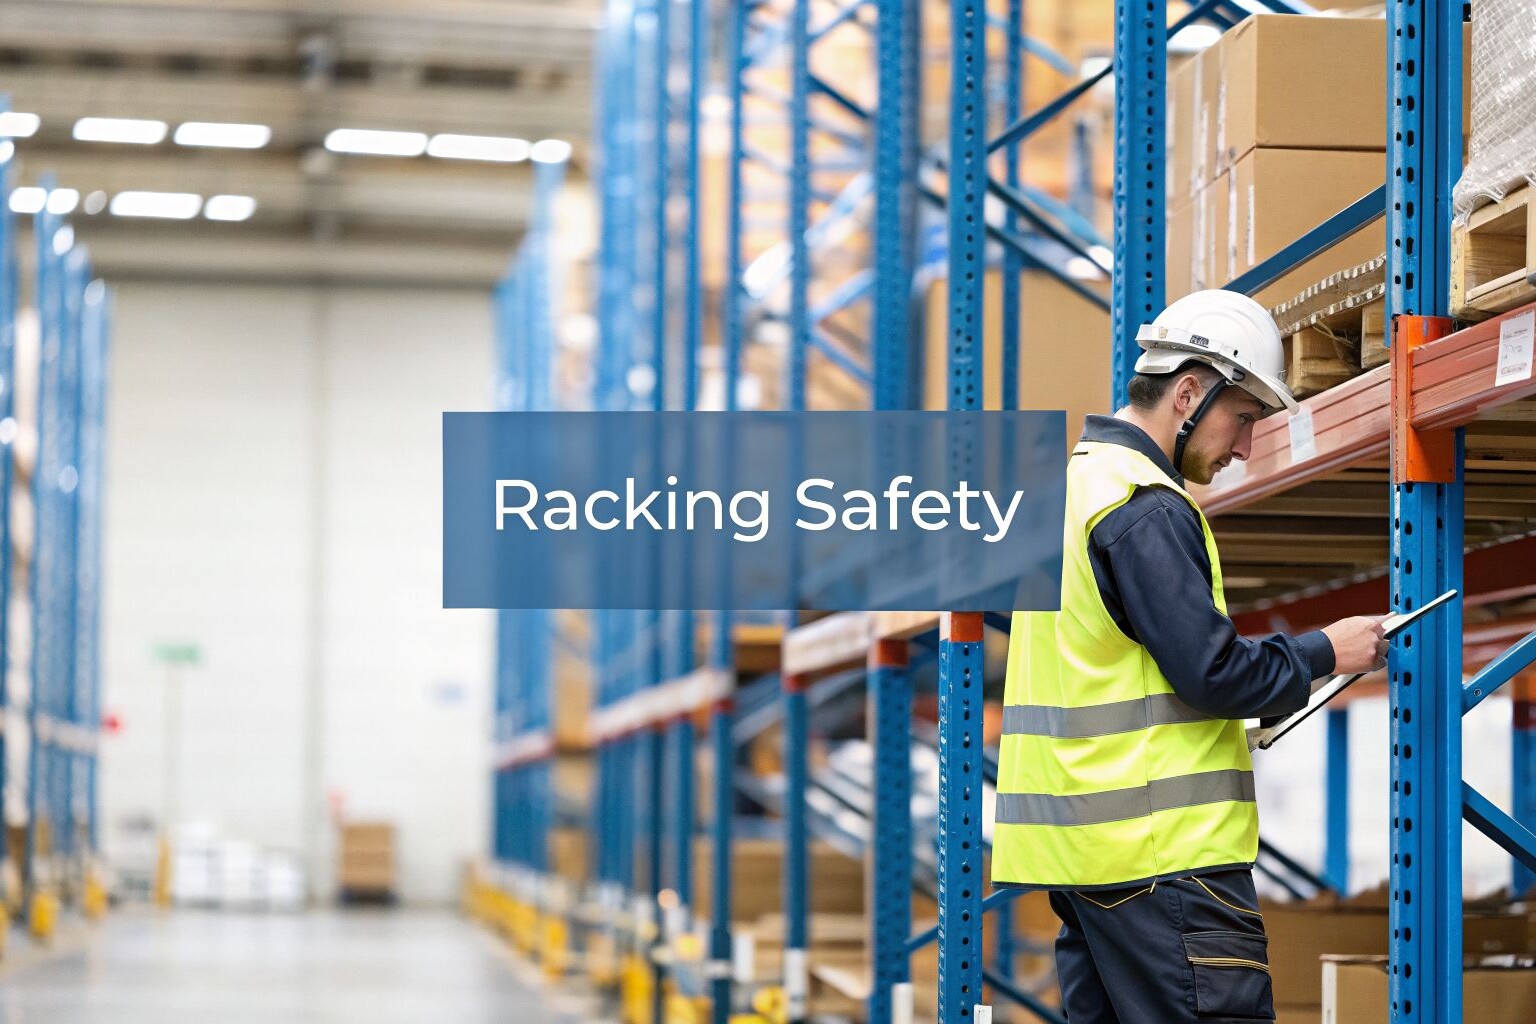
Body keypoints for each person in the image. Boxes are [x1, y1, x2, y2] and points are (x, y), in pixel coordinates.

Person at [991, 289, 1388, 1023]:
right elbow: (1212, 673)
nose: (1242, 447)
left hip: (1088, 868)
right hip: (1163, 863)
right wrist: (1326, 650)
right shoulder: (1142, 506)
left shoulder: (1064, 492)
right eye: (1243, 420)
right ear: (1187, 393)